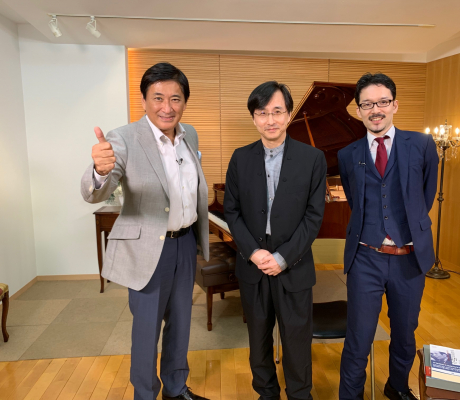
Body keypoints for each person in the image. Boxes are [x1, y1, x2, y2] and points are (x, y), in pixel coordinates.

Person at [80, 62, 210, 400]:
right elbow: (95, 192)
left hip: (185, 243)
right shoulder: (123, 138)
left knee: (181, 322)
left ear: (184, 102)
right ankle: (145, 394)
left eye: (175, 98)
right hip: (149, 248)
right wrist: (99, 171)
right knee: (147, 329)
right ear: (144, 100)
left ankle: (176, 389)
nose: (167, 107)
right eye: (158, 98)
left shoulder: (190, 134)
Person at [337, 73, 439, 400]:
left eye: (382, 102)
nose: (375, 110)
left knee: (405, 335)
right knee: (359, 338)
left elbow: (425, 197)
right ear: (358, 110)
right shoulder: (347, 154)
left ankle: (397, 387)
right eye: (367, 104)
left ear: (395, 105)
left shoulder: (422, 145)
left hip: (409, 259)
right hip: (365, 257)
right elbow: (355, 200)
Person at [224, 81, 327, 400]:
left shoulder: (313, 158)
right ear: (254, 117)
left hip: (294, 264)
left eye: (277, 111)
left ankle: (300, 395)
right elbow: (232, 211)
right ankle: (266, 394)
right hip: (253, 266)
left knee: (297, 340)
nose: (270, 120)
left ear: (289, 114)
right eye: (262, 112)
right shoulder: (240, 158)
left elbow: (313, 217)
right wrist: (253, 252)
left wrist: (282, 258)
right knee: (258, 341)